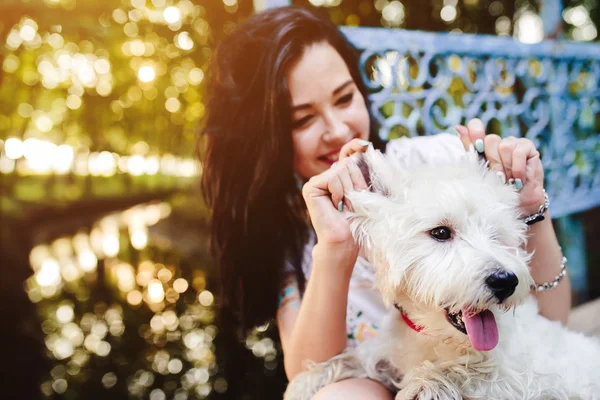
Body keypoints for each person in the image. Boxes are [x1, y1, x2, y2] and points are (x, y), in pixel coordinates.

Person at [198, 6, 571, 399]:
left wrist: (531, 209)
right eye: (302, 120)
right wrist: (336, 246)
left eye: (344, 98)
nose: (338, 130)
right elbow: (309, 377)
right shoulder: (284, 230)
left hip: (477, 375)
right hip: (379, 380)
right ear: (264, 138)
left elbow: (553, 320)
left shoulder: (438, 163)